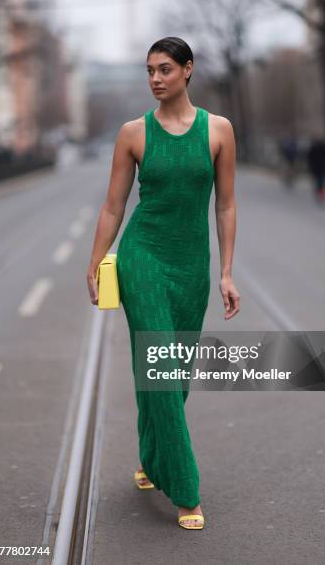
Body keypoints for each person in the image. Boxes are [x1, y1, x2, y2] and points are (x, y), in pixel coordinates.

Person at [87, 36, 240, 530]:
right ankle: (185, 489)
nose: (155, 78)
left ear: (188, 71)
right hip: (143, 258)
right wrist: (96, 262)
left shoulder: (218, 131)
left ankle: (152, 457)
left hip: (192, 265)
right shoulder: (134, 133)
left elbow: (226, 204)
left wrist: (226, 271)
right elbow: (114, 205)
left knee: (172, 373)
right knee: (159, 365)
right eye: (150, 70)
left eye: (165, 69)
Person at [306, 137, 325, 205]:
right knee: (323, 182)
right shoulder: (324, 148)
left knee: (319, 182)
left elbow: (309, 158)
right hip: (323, 168)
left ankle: (320, 193)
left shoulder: (314, 148)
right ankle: (323, 194)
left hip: (317, 168)